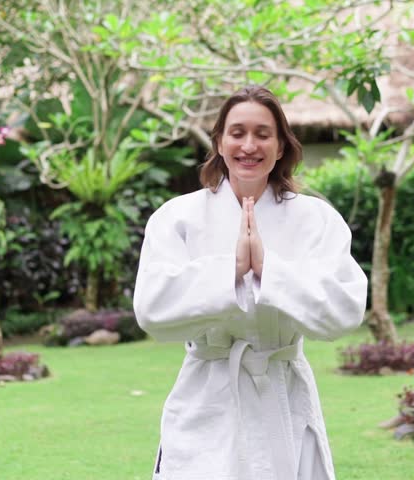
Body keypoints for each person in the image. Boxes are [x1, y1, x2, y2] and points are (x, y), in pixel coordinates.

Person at [133, 85, 369, 480]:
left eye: (263, 134)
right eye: (237, 132)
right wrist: (231, 268)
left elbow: (345, 310)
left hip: (283, 394)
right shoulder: (177, 218)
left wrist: (269, 271)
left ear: (281, 147)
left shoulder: (316, 220)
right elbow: (151, 310)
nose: (249, 145)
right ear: (220, 143)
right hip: (207, 396)